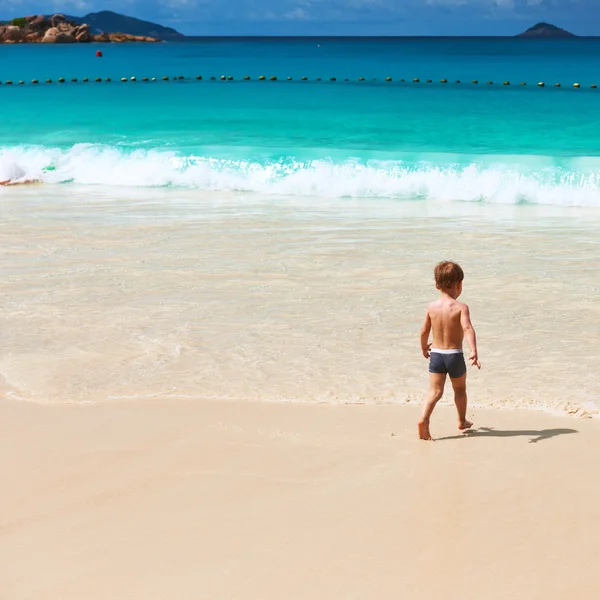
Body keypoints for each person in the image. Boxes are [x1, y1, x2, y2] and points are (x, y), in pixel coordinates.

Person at [418, 261, 481, 440]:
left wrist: (423, 346)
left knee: (435, 391)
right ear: (459, 284)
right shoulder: (461, 307)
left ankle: (424, 418)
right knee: (459, 390)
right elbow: (468, 329)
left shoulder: (431, 307)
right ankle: (461, 421)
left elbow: (424, 330)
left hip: (437, 355)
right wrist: (473, 350)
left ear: (436, 285)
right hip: (454, 356)